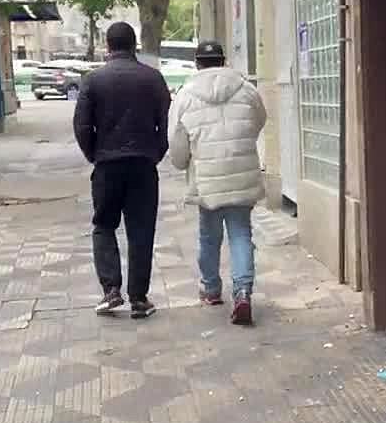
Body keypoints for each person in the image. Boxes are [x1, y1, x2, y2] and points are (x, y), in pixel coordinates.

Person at [73, 22, 171, 318]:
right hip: (143, 165)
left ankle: (111, 290)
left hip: (107, 165)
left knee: (104, 225)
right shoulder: (153, 78)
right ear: (134, 44)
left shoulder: (93, 80)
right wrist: (155, 153)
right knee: (141, 230)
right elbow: (165, 124)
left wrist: (95, 154)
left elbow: (82, 125)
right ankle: (139, 299)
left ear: (108, 45)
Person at [167, 41, 267, 325]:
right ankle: (243, 292)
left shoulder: (185, 95)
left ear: (197, 63)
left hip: (207, 178)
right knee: (241, 234)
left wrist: (182, 162)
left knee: (209, 237)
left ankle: (211, 289)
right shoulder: (246, 89)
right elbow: (259, 120)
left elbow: (177, 143)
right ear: (223, 61)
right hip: (241, 171)